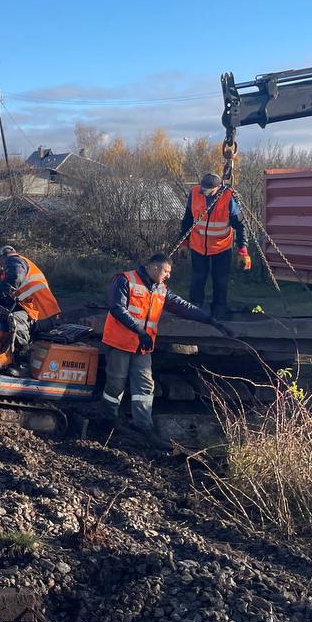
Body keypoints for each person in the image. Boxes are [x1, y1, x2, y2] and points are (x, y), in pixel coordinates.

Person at [99, 253, 222, 443]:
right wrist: (140, 331)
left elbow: (182, 306)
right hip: (120, 343)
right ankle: (108, 421)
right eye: (166, 271)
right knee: (116, 383)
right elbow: (117, 308)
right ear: (154, 268)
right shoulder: (124, 280)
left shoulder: (161, 289)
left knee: (144, 386)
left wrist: (209, 319)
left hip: (142, 345)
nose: (168, 275)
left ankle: (144, 426)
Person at [179, 172, 250, 318]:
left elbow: (241, 225)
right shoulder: (194, 193)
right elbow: (187, 219)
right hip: (198, 245)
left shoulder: (228, 197)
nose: (203, 191)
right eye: (202, 188)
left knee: (220, 279)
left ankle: (219, 309)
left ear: (217, 188)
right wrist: (184, 242)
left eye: (206, 189)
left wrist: (242, 249)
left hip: (221, 247)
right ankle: (195, 307)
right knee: (198, 277)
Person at [0, 245, 61, 364]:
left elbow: (13, 280)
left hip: (42, 314)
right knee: (2, 317)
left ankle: (21, 358)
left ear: (2, 258)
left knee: (15, 321)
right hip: (36, 312)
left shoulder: (15, 261)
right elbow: (12, 296)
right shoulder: (16, 266)